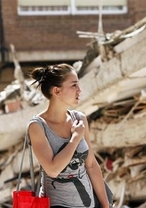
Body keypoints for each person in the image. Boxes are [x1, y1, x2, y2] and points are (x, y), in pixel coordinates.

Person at [27, 63, 111, 208]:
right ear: (57, 91)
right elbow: (52, 170)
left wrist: (105, 205)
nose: (79, 90)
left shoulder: (79, 119)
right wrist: (75, 138)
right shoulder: (37, 126)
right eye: (73, 85)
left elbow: (91, 165)